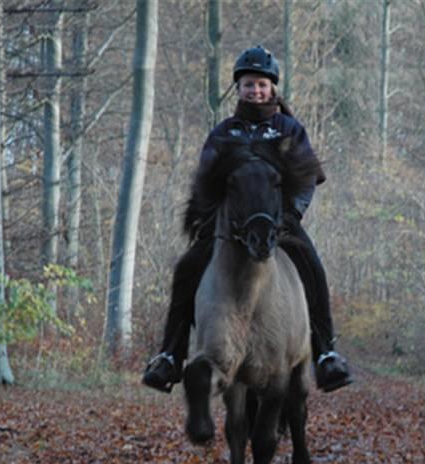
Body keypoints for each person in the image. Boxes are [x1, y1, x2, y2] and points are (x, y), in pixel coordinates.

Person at [142, 45, 352, 394]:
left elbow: (305, 181)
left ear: (273, 88)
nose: (255, 90)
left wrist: (291, 215)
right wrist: (213, 218)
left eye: (262, 85)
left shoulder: (289, 129)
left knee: (312, 267)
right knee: (187, 269)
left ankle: (325, 353)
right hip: (230, 224)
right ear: (237, 89)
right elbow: (206, 180)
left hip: (279, 221)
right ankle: (170, 355)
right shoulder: (224, 133)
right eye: (248, 85)